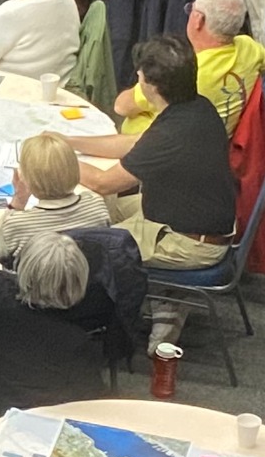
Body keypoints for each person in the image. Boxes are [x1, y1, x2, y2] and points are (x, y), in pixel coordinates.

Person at [72, 37, 239, 288]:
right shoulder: (196, 107)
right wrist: (68, 141)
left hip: (187, 242)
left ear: (150, 86)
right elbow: (133, 143)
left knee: (78, 245)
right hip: (187, 216)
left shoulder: (169, 135)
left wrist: (51, 157)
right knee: (94, 209)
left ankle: (104, 311)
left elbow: (103, 182)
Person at [116, 0, 265, 136]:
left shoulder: (183, 72)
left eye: (191, 9)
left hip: (160, 148)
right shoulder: (250, 48)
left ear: (198, 20)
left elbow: (121, 106)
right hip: (218, 143)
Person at [0, 133, 111, 265]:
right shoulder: (96, 204)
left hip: (34, 284)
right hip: (86, 277)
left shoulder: (17, 224)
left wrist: (18, 201)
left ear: (25, 179)